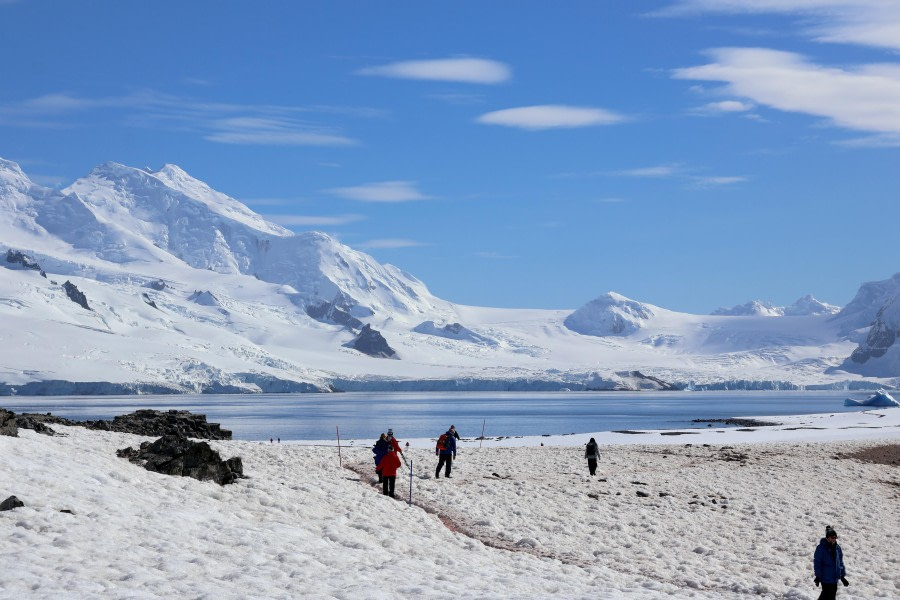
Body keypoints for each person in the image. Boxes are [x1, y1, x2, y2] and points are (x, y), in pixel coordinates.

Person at [814, 525, 849, 600]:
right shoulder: (821, 548)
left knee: (832, 597)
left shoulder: (837, 548)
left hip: (834, 579)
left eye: (835, 537)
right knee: (825, 596)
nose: (834, 539)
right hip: (825, 578)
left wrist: (842, 576)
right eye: (832, 537)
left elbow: (840, 563)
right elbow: (817, 563)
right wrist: (818, 576)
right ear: (827, 537)